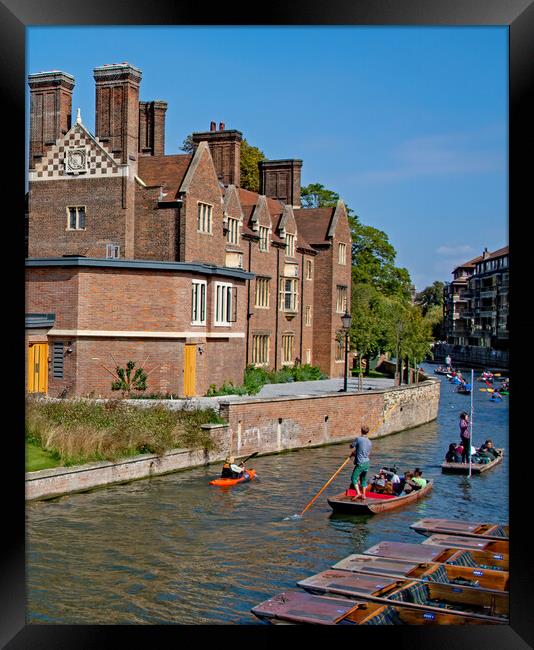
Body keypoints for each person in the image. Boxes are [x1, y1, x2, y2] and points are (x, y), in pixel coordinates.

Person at [349, 425, 372, 500]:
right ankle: (364, 495)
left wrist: (354, 451)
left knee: (353, 478)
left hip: (361, 463)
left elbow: (351, 446)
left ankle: (358, 493)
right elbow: (367, 453)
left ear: (361, 431)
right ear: (367, 432)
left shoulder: (358, 439)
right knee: (363, 479)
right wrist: (356, 452)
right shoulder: (369, 441)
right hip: (367, 462)